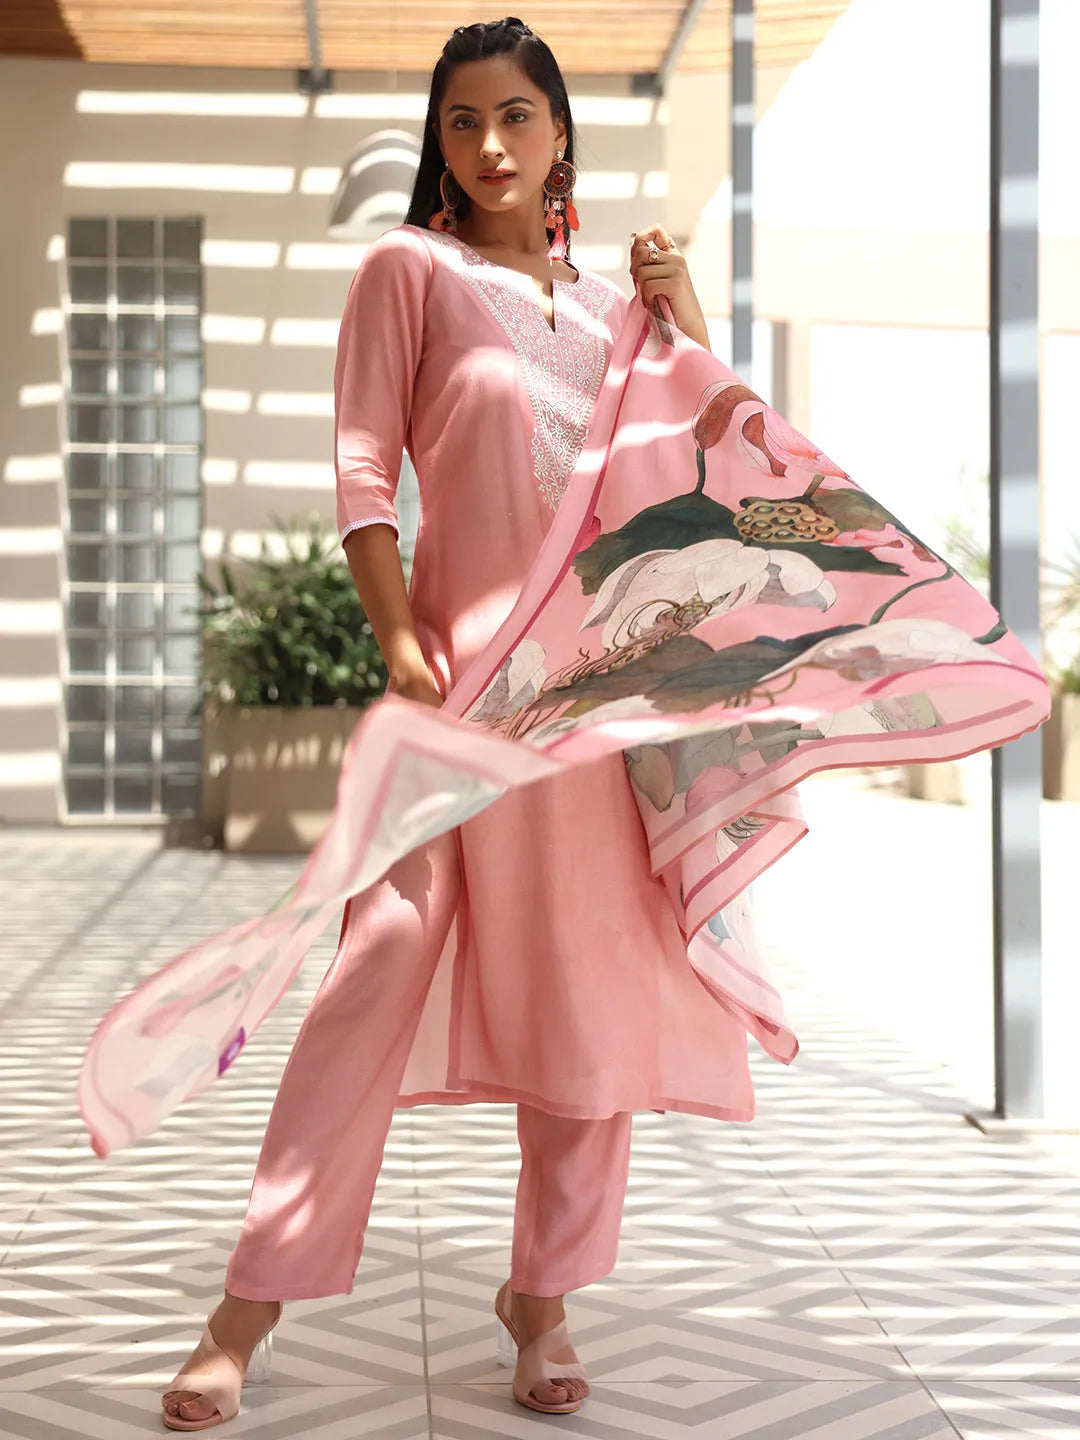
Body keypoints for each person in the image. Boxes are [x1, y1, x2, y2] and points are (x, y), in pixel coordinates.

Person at [161, 15, 734, 1430]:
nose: (488, 143)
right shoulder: (406, 271)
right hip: (453, 697)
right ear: (439, 138)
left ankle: (543, 1301)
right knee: (372, 977)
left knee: (588, 1005)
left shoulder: (613, 313)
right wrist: (397, 643)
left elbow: (698, 479)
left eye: (516, 116)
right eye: (463, 119)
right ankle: (247, 1310)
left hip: (589, 709)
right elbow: (364, 469)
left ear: (559, 135)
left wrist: (688, 316)